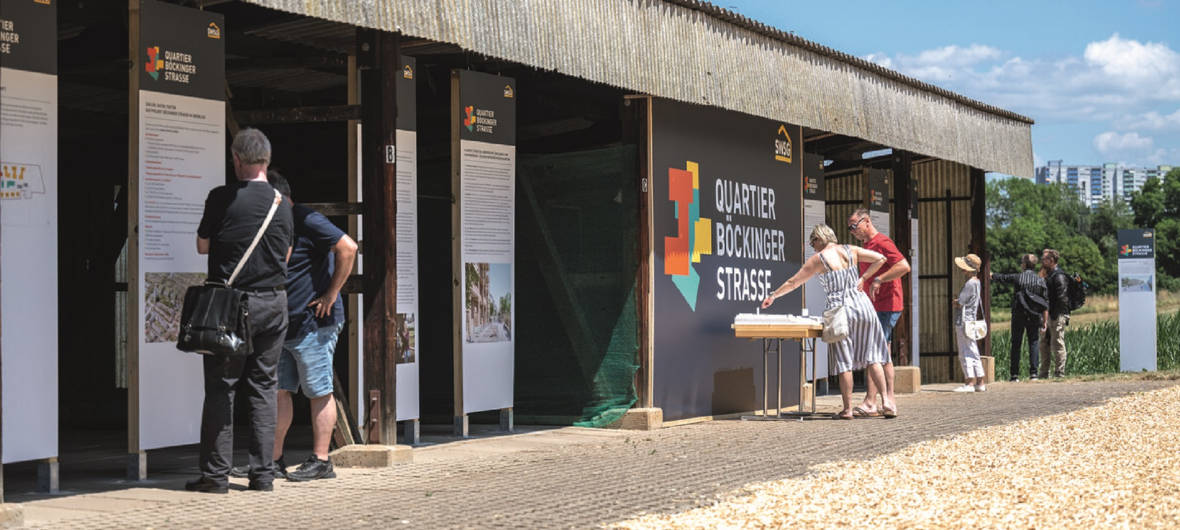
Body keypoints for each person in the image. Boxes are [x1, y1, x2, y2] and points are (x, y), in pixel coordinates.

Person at [229, 171, 358, 482]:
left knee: (318, 390)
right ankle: (272, 462)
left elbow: (348, 248)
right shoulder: (268, 225)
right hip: (280, 325)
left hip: (314, 323)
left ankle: (321, 461)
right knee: (278, 393)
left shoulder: (304, 217)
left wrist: (331, 293)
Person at [187, 128, 294, 493]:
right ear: (265, 159)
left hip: (232, 306)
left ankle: (216, 477)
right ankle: (263, 476)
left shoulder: (221, 198)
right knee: (265, 387)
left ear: (236, 159)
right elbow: (286, 256)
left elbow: (202, 246)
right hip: (274, 303)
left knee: (222, 388)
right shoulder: (282, 204)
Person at [762, 224, 896, 419]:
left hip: (840, 310)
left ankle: (848, 409)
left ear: (819, 239)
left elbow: (794, 282)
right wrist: (864, 278)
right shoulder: (852, 250)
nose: (812, 246)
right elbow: (881, 259)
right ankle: (887, 402)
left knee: (844, 361)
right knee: (873, 356)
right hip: (863, 305)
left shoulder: (818, 259)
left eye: (812, 242)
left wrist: (773, 295)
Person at [846, 209, 909, 417]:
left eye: (854, 226)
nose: (852, 231)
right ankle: (881, 400)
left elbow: (903, 266)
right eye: (850, 228)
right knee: (882, 353)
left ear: (867, 222)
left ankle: (875, 401)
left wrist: (879, 280)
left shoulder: (882, 242)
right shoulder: (867, 245)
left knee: (875, 352)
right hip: (875, 306)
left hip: (886, 305)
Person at [990, 254, 1048, 382]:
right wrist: (1045, 321)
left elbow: (1003, 277)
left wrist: (991, 274)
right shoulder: (1040, 280)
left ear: (1024, 264)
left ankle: (1014, 375)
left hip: (1018, 315)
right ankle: (1034, 374)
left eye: (1022, 262)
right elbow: (1045, 303)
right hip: (1034, 315)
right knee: (1033, 343)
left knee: (1016, 344)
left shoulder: (1018, 278)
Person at [952, 254, 986, 392]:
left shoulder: (969, 284)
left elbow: (960, 302)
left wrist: (954, 302)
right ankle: (980, 381)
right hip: (972, 320)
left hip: (964, 321)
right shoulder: (977, 282)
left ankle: (969, 382)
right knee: (973, 349)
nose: (962, 270)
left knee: (964, 351)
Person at [1039, 248, 1070, 378]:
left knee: (1057, 343)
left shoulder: (1059, 276)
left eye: (1044, 259)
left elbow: (1062, 299)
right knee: (1044, 344)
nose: (1041, 261)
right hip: (1048, 314)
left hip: (1057, 314)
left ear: (1051, 261)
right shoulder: (1048, 275)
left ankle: (1059, 373)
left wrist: (1054, 315)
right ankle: (1044, 373)